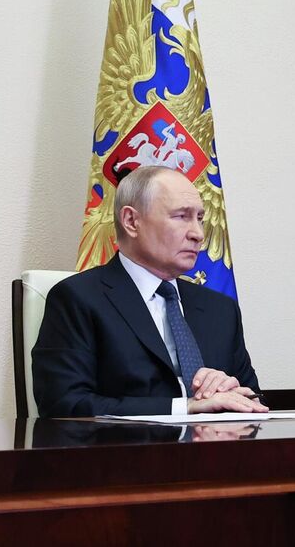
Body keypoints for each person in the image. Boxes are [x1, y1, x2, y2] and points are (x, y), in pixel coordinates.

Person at [33, 165, 266, 417]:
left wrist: (229, 389)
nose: (198, 234)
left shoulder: (220, 309)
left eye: (200, 218)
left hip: (216, 442)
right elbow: (64, 405)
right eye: (181, 216)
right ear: (131, 221)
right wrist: (184, 408)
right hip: (125, 443)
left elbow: (255, 402)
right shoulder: (78, 299)